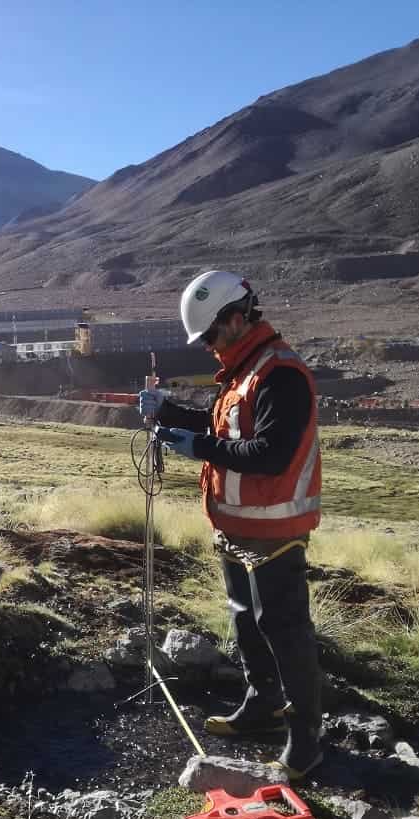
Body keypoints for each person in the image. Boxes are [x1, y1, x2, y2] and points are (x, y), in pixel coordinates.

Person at [138, 271, 324, 779]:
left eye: (211, 336)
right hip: (237, 527)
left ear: (237, 318)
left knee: (283, 629)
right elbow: (223, 427)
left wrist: (198, 448)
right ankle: (261, 706)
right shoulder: (243, 371)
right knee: (247, 620)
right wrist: (168, 414)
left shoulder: (279, 373)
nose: (207, 347)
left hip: (275, 530)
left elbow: (270, 453)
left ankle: (307, 739)